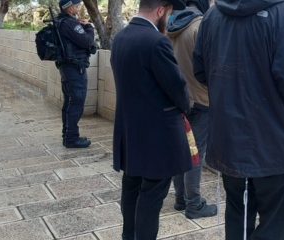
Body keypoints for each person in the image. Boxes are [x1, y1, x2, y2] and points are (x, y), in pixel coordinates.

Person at [192, 0, 284, 239]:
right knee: (275, 223)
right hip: (276, 140)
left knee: (237, 216)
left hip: (228, 137)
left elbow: (200, 71)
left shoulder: (212, 15)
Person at [110, 0, 192, 239]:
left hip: (129, 128)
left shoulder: (121, 37)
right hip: (156, 134)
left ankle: (129, 235)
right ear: (160, 11)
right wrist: (187, 104)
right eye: (168, 12)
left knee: (132, 186)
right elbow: (176, 87)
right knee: (152, 196)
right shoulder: (156, 41)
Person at [166, 0, 217, 219]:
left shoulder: (169, 27)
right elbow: (211, 67)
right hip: (201, 100)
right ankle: (194, 204)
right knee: (196, 155)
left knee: (180, 151)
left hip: (178, 99)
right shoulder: (201, 26)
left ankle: (180, 199)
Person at [57, 0, 95, 148]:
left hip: (67, 67)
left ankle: (67, 134)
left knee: (69, 102)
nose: (79, 8)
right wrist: (89, 26)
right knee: (76, 103)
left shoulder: (61, 22)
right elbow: (87, 42)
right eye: (76, 6)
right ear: (70, 9)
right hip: (75, 69)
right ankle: (71, 138)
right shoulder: (70, 23)